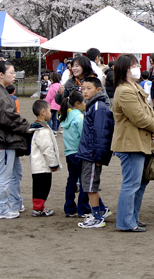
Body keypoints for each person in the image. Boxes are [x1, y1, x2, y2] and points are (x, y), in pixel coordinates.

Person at [111, 54, 154, 232]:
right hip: (130, 144)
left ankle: (132, 217)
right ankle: (126, 222)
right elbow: (139, 117)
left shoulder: (132, 87)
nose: (137, 67)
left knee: (139, 183)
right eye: (133, 65)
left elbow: (146, 114)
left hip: (138, 142)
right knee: (132, 183)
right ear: (125, 69)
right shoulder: (125, 90)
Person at [0, 62, 30, 219]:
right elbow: (9, 118)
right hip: (2, 140)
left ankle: (15, 203)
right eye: (11, 72)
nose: (14, 75)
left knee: (16, 173)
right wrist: (28, 126)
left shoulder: (0, 91)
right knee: (4, 176)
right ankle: (1, 209)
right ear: (1, 75)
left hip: (7, 140)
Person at [76, 77, 114, 229]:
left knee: (90, 185)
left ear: (98, 90)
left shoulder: (98, 107)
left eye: (89, 88)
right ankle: (101, 211)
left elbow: (101, 133)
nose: (85, 91)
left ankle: (97, 217)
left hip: (92, 154)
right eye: (83, 88)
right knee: (88, 184)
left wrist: (98, 156)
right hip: (89, 152)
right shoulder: (94, 105)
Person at [60, 90, 96, 218]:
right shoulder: (79, 117)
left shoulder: (67, 116)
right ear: (77, 103)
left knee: (72, 180)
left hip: (69, 152)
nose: (85, 104)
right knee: (84, 181)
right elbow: (84, 136)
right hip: (80, 153)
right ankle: (83, 208)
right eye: (83, 102)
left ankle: (69, 208)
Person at [28, 99, 62, 217]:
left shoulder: (39, 128)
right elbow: (47, 149)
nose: (50, 112)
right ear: (43, 112)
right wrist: (53, 164)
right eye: (49, 110)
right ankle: (38, 209)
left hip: (38, 166)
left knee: (39, 188)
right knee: (42, 188)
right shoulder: (42, 131)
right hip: (42, 166)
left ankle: (39, 207)